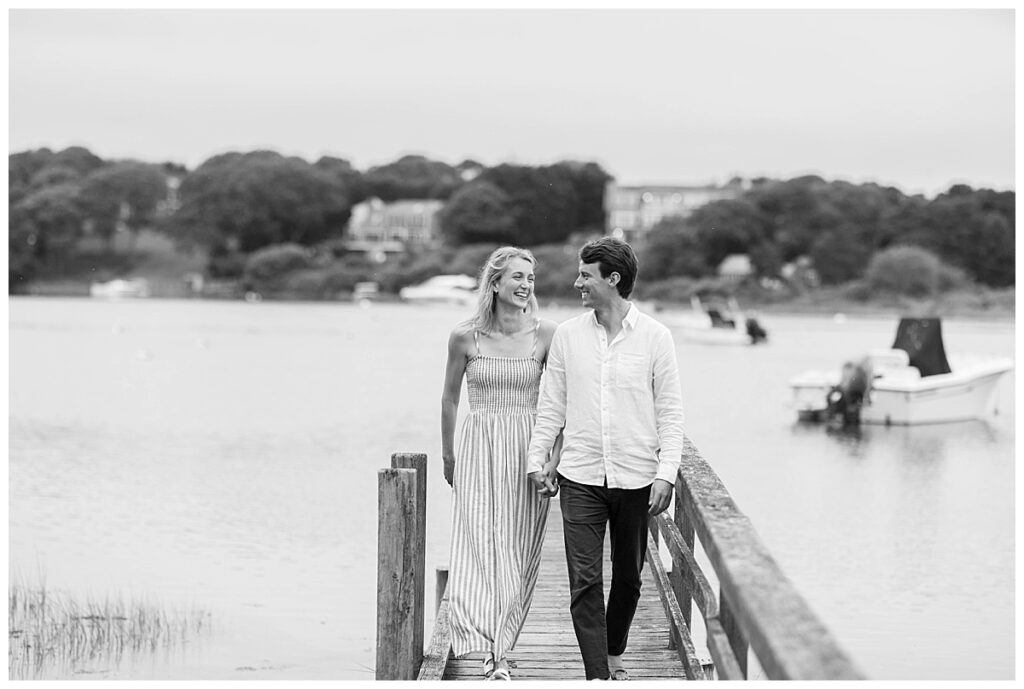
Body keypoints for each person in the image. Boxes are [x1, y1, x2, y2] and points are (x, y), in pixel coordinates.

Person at [526, 237, 685, 681]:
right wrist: (537, 460)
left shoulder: (656, 338)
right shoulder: (568, 337)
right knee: (585, 581)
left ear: (613, 279)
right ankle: (598, 675)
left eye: (585, 275)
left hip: (637, 477)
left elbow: (671, 412)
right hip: (579, 477)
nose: (577, 282)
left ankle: (614, 651)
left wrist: (666, 473)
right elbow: (550, 405)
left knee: (630, 580)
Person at [440, 246, 561, 681]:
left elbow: (561, 402)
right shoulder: (465, 336)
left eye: (530, 278)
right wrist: (448, 455)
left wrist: (554, 459)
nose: (526, 285)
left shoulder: (547, 334)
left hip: (528, 450)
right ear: (494, 283)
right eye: (517, 277)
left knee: (517, 551)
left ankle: (503, 644)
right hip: (479, 446)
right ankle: (494, 652)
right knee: (482, 546)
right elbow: (451, 397)